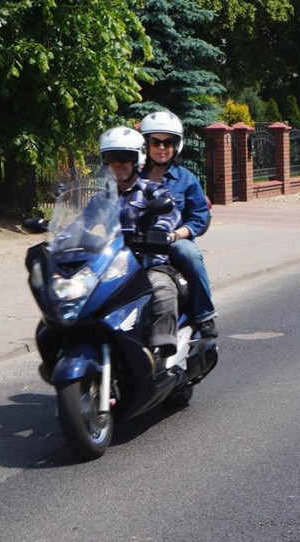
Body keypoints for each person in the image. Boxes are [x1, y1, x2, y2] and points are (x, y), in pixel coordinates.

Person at [101, 125, 181, 369]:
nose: (118, 164)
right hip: (110, 268)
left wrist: (160, 230)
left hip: (146, 265)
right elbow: (82, 223)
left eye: (124, 158)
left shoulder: (152, 189)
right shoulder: (100, 197)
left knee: (163, 289)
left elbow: (171, 213)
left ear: (138, 159)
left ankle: (161, 349)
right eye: (111, 158)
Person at [139, 110, 218, 339]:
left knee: (189, 253)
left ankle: (204, 315)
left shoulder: (186, 179)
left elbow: (199, 217)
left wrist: (175, 235)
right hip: (138, 242)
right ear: (146, 144)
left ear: (177, 145)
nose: (162, 147)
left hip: (171, 242)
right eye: (155, 141)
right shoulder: (134, 177)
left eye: (168, 142)